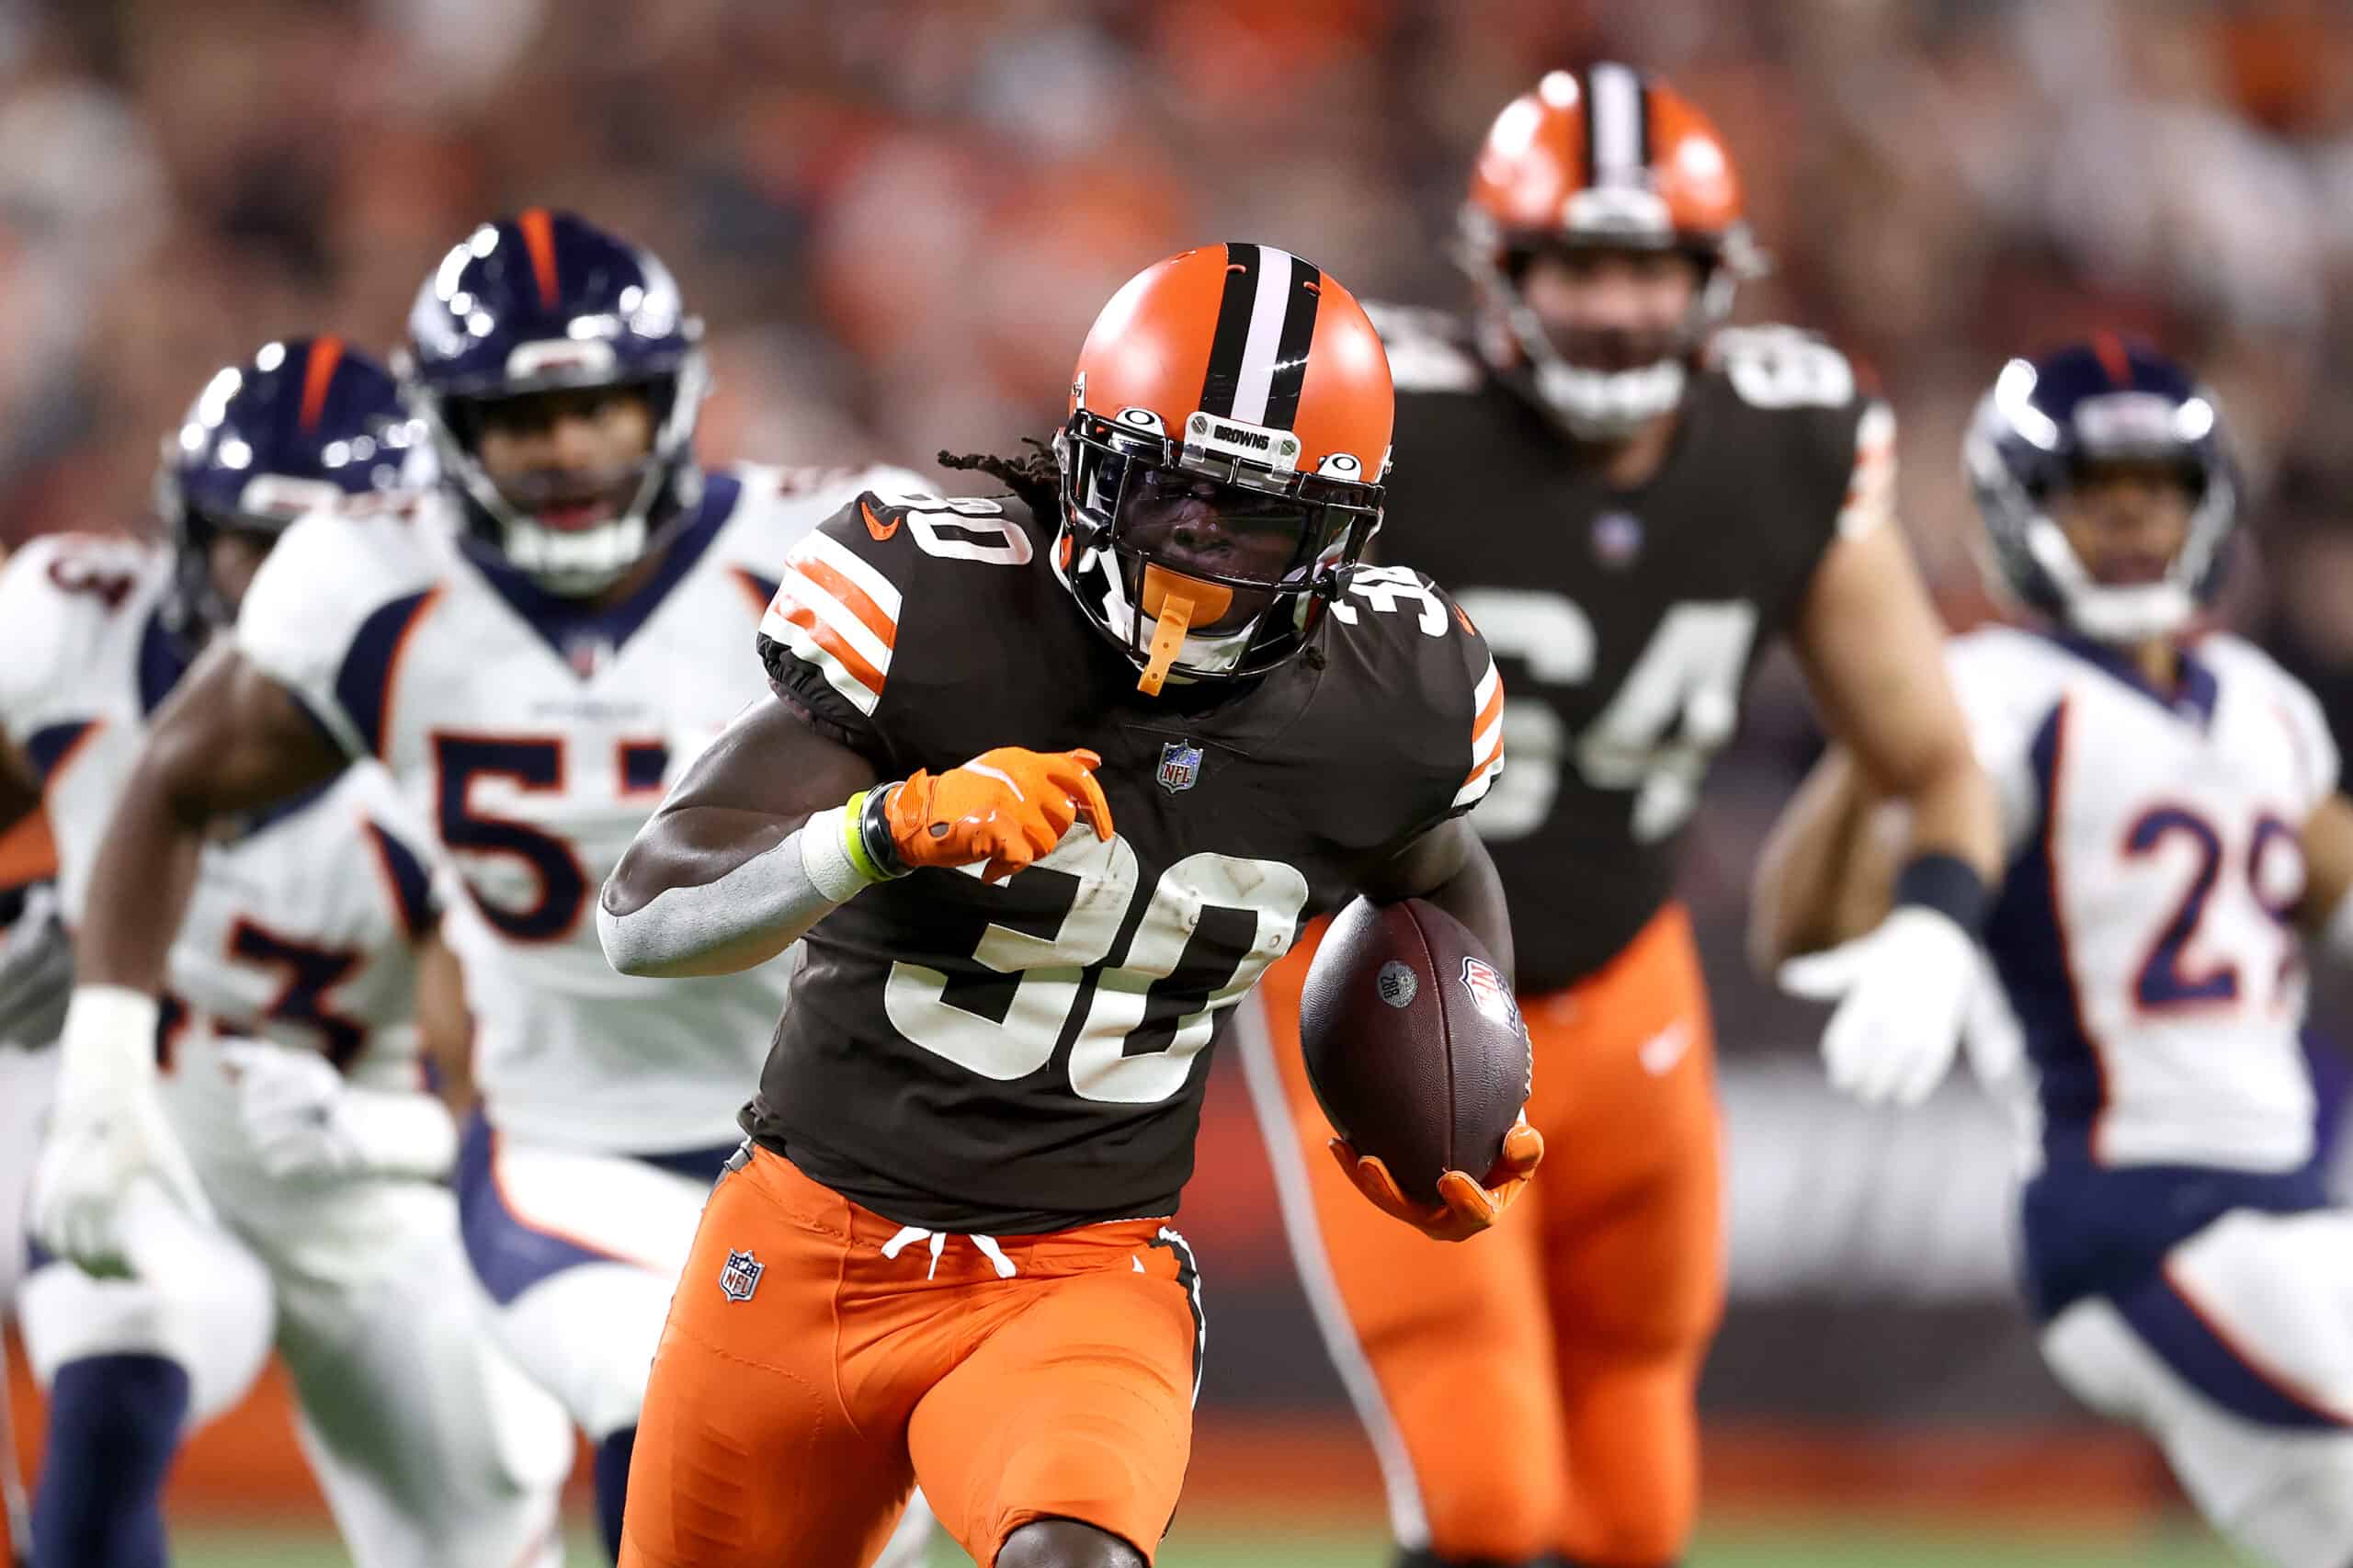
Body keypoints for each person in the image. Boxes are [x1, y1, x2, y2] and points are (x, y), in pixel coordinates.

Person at [596, 241, 1541, 1568]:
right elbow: (642, 915)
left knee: (1073, 1556)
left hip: (1080, 1273)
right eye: (1171, 497)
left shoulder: (1393, 703)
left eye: (1254, 517)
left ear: (1341, 541)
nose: (1198, 551)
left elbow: (1442, 874)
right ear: (1093, 465)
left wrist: (1461, 1090)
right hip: (804, 1242)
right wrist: (880, 830)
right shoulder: (943, 608)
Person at [42, 211, 933, 1562]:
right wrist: (104, 1062)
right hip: (576, 1144)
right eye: (525, 419)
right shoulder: (370, 584)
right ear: (455, 431)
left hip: (858, 1141)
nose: (566, 449)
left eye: (598, 408)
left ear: (670, 404)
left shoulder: (820, 553)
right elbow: (171, 786)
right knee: (671, 1391)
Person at [1245, 65, 2001, 1568]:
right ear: (1501, 274)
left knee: (1637, 1509)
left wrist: (1938, 920)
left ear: (1715, 283)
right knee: (1486, 1497)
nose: (1614, 305)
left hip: (1629, 974)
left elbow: (1932, 755)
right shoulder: (1395, 422)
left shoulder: (1786, 440)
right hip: (1393, 974)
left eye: (1650, 265)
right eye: (1577, 263)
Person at [1752, 338, 2353, 1568]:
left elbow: (2327, 882)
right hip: (2141, 1209)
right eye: (2094, 492)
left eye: (2159, 489)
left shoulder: (2266, 702)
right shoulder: (1993, 689)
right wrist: (1885, 701)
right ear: (2023, 512)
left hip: (2296, 1198)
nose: (2132, 519)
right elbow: (1801, 923)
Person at [9, 338, 571, 1568]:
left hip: (373, 1191)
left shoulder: (480, 732)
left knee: (480, 1531)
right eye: (258, 547)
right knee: (112, 1397)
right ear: (187, 529)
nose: (288, 593)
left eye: (333, 552)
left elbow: (512, 1110)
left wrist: (372, 1133)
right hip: (149, 1130)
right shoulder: (69, 627)